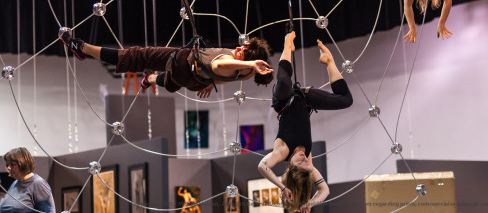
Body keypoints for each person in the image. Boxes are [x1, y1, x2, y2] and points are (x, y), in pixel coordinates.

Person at [258, 32, 353, 213]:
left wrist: (282, 187)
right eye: (306, 164)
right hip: (305, 99)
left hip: (283, 100)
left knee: (285, 84)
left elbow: (262, 166)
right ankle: (329, 61)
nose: (304, 159)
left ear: (291, 166)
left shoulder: (281, 152)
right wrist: (310, 203)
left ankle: (287, 45)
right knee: (345, 100)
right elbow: (324, 190)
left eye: (300, 162)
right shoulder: (307, 163)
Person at [60, 31, 273, 98]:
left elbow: (219, 67)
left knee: (136, 56)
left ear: (248, 60)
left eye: (242, 52)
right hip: (193, 81)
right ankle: (150, 79)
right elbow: (222, 75)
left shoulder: (229, 61)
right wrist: (211, 84)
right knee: (171, 83)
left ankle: (83, 48)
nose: (238, 49)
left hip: (183, 62)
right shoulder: (245, 74)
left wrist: (252, 62)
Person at [0, 147, 55, 213]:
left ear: (23, 164)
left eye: (12, 165)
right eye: (7, 165)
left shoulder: (38, 184)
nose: (8, 168)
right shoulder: (15, 183)